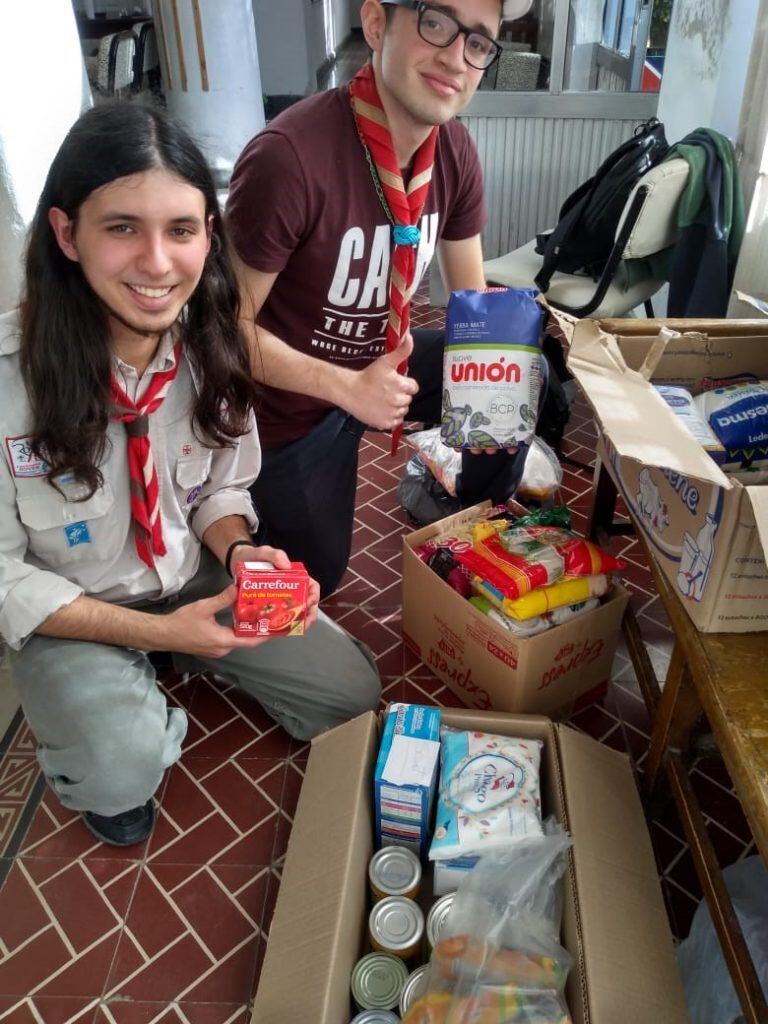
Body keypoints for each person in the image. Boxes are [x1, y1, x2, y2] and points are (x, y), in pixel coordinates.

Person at [0, 103, 380, 848]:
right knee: (119, 779)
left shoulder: (214, 349)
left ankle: (174, 653)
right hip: (73, 609)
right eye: (121, 228)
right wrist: (151, 630)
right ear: (66, 234)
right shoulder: (11, 380)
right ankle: (136, 685)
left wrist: (239, 552)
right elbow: (5, 575)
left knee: (350, 696)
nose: (157, 263)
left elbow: (217, 488)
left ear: (210, 235)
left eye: (181, 229)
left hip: (190, 574)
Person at [227, 0, 531, 598]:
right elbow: (221, 334)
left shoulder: (455, 151)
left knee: (511, 370)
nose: (454, 57)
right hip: (290, 406)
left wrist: (513, 343)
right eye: (436, 23)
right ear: (374, 24)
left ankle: (468, 513)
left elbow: (472, 307)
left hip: (382, 365)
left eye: (478, 42)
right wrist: (347, 389)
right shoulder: (290, 158)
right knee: (318, 576)